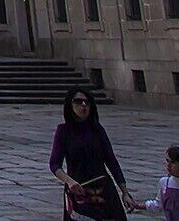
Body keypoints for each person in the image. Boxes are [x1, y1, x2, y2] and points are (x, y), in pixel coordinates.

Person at [50, 87, 134, 220]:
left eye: (87, 102)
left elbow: (111, 161)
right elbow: (54, 164)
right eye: (78, 101)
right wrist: (69, 181)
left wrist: (125, 192)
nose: (83, 105)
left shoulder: (97, 130)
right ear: (70, 105)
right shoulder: (63, 131)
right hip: (78, 190)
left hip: (103, 187)